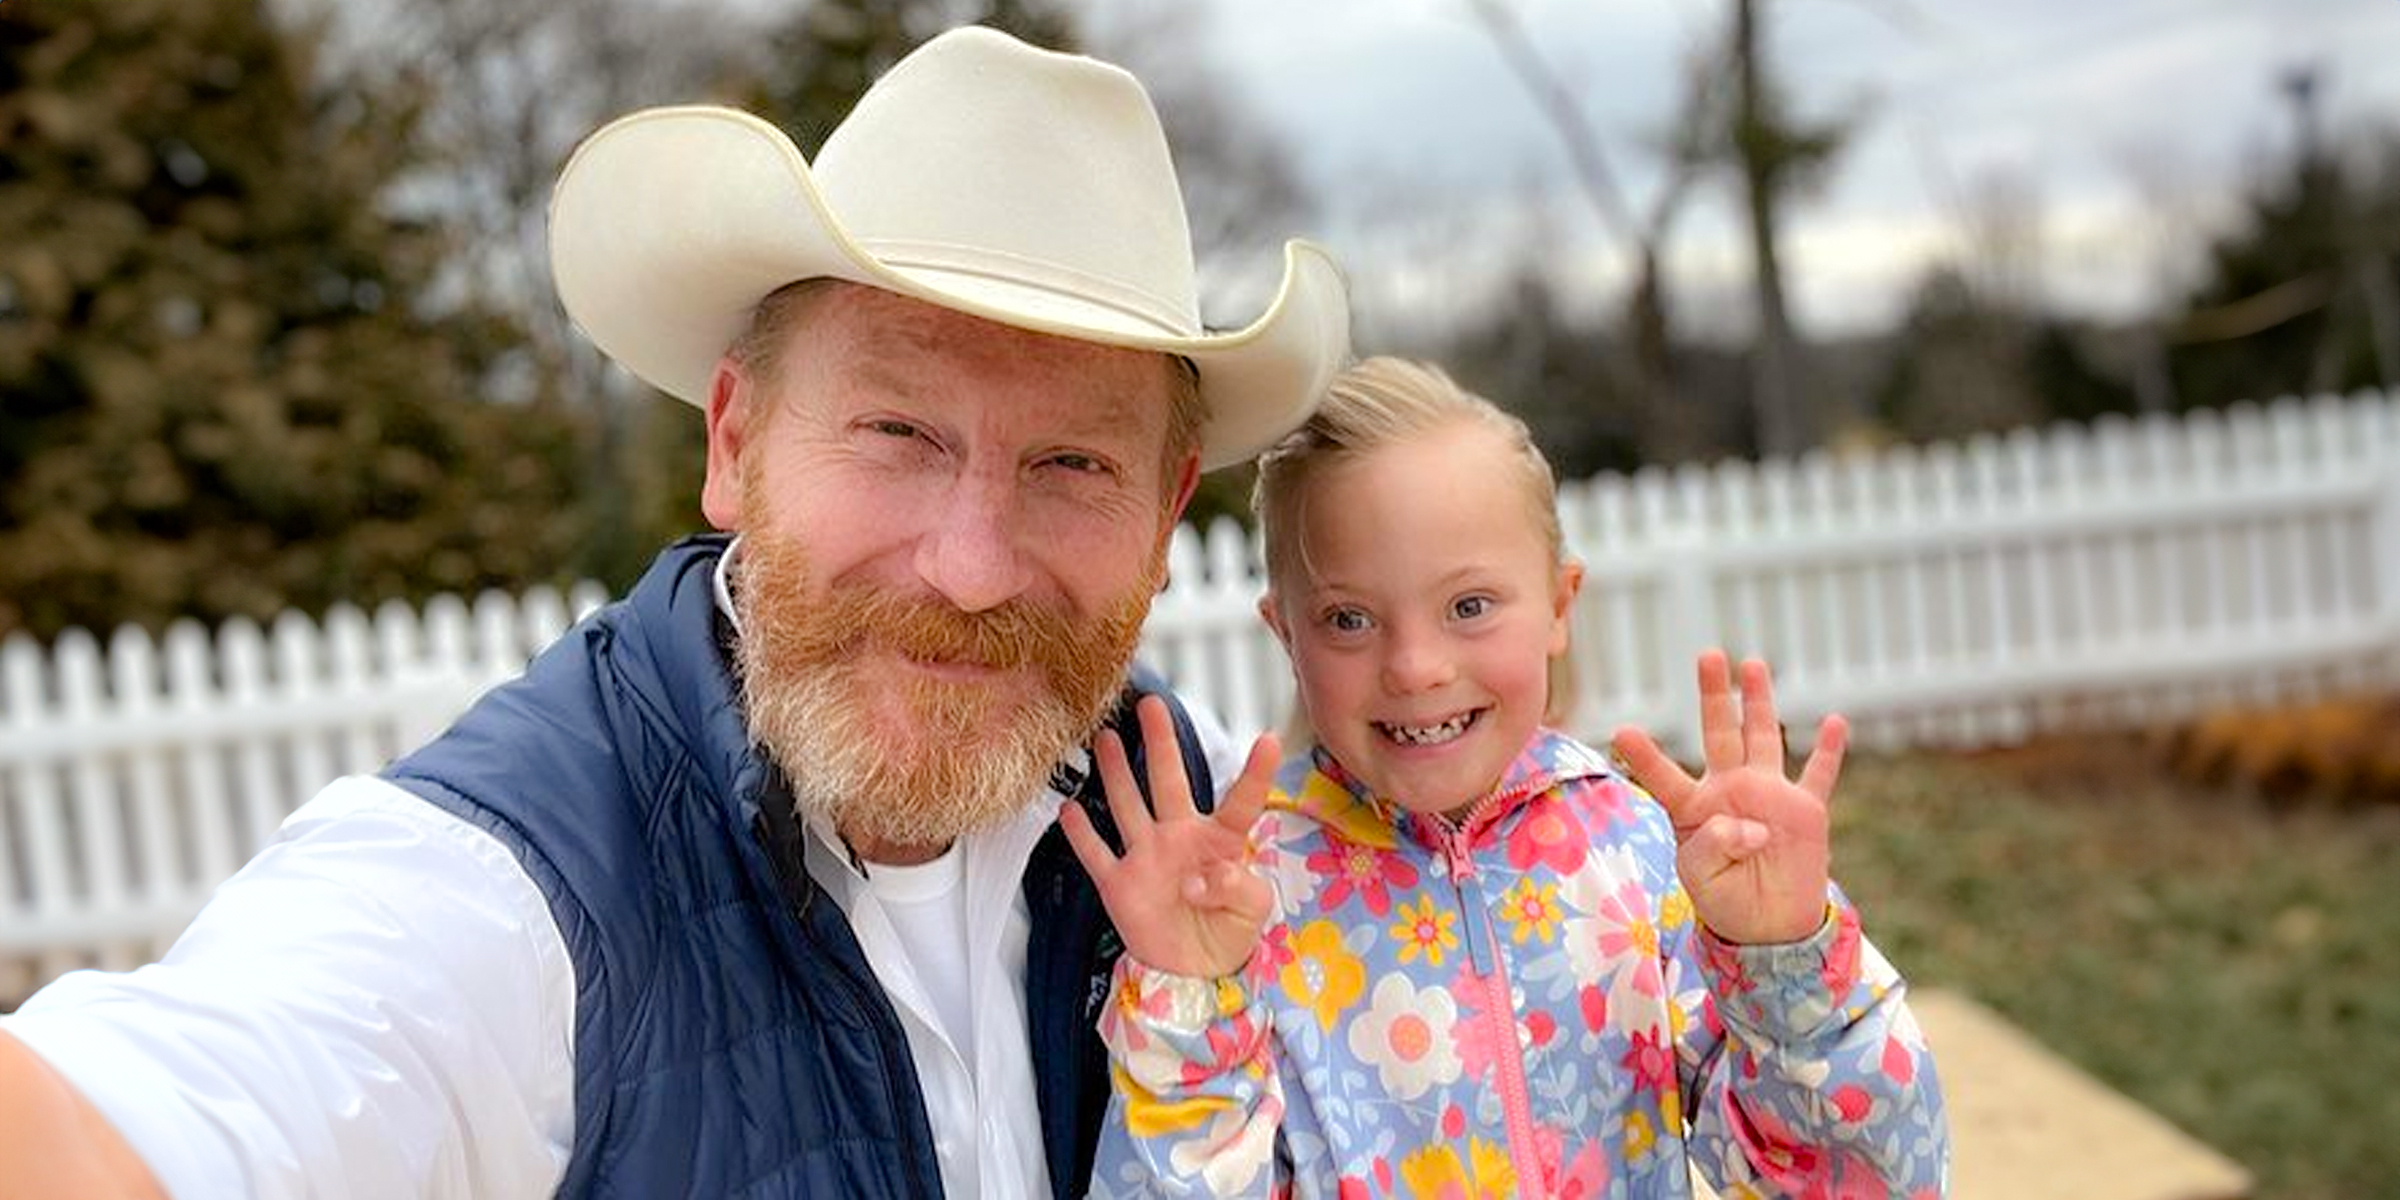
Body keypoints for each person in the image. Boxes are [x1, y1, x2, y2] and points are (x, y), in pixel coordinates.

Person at [0, 25, 1350, 1199]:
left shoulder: (1220, 815)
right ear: (734, 440)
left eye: (1073, 465)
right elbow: (161, 1120)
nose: (974, 567)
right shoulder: (513, 892)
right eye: (895, 430)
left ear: (1167, 518)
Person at [1062, 357, 1949, 1197]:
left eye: (1469, 606)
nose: (1415, 666)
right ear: (1285, 633)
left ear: (1561, 606)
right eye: (1348, 618)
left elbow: (1860, 1179)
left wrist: (1785, 961)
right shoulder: (1249, 908)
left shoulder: (1636, 860)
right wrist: (1189, 1008)